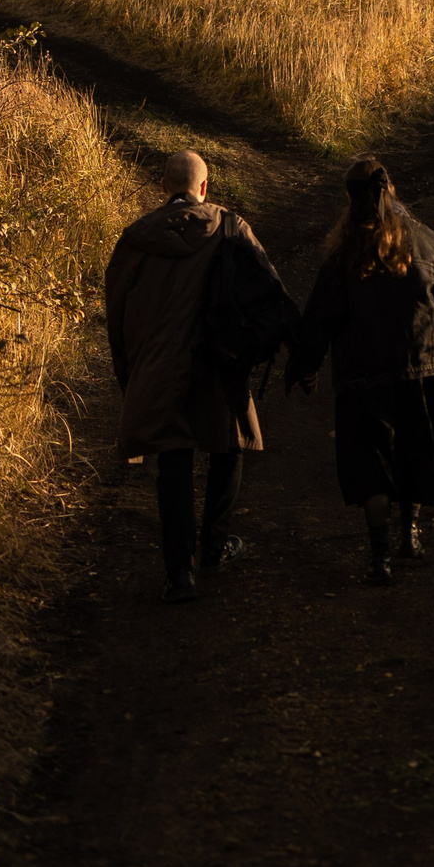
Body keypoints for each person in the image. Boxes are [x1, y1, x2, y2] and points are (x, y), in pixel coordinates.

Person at [286, 154, 434, 586]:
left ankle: (380, 560)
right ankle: (410, 535)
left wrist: (305, 366)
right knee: (414, 451)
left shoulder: (343, 252)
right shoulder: (425, 239)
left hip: (361, 376)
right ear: (390, 190)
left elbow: (319, 317)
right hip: (421, 366)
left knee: (371, 466)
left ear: (349, 198)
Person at [104, 149, 288, 603]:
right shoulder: (229, 226)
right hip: (218, 361)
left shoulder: (135, 239)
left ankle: (179, 573)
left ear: (163, 187)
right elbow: (271, 292)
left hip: (157, 367)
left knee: (174, 460)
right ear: (204, 188)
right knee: (229, 447)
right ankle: (214, 545)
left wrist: (130, 375)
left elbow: (116, 315)